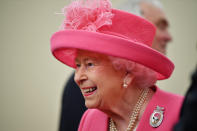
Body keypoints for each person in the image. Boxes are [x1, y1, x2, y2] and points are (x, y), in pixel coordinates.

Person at [51, 0, 183, 130]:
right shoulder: (90, 120)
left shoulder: (180, 112)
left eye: (90, 64)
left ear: (128, 71)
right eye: (78, 65)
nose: (77, 77)